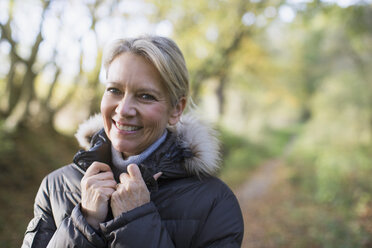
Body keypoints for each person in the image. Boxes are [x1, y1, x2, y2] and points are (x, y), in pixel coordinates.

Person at [22, 35, 244, 247]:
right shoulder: (56, 187)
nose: (124, 110)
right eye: (114, 90)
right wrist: (84, 223)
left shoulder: (215, 202)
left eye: (145, 95)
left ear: (176, 109)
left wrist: (135, 222)